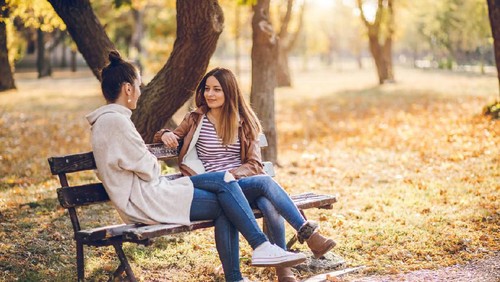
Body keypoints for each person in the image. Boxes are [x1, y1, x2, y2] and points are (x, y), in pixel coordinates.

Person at [86, 51, 307, 282]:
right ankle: (257, 251)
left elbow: (138, 162)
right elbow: (150, 169)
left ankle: (249, 264)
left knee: (224, 183)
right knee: (225, 196)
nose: (140, 92)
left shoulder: (111, 120)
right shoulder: (116, 122)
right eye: (138, 86)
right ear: (128, 89)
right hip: (148, 199)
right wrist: (154, 153)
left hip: (149, 193)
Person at [154, 67, 337, 282]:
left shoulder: (244, 121)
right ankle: (307, 238)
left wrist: (231, 175)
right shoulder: (195, 119)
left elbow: (254, 164)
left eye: (217, 90)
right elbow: (165, 136)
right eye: (207, 89)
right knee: (266, 190)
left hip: (239, 184)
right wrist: (165, 134)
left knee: (267, 201)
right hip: (211, 187)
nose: (209, 94)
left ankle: (283, 271)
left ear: (229, 92)